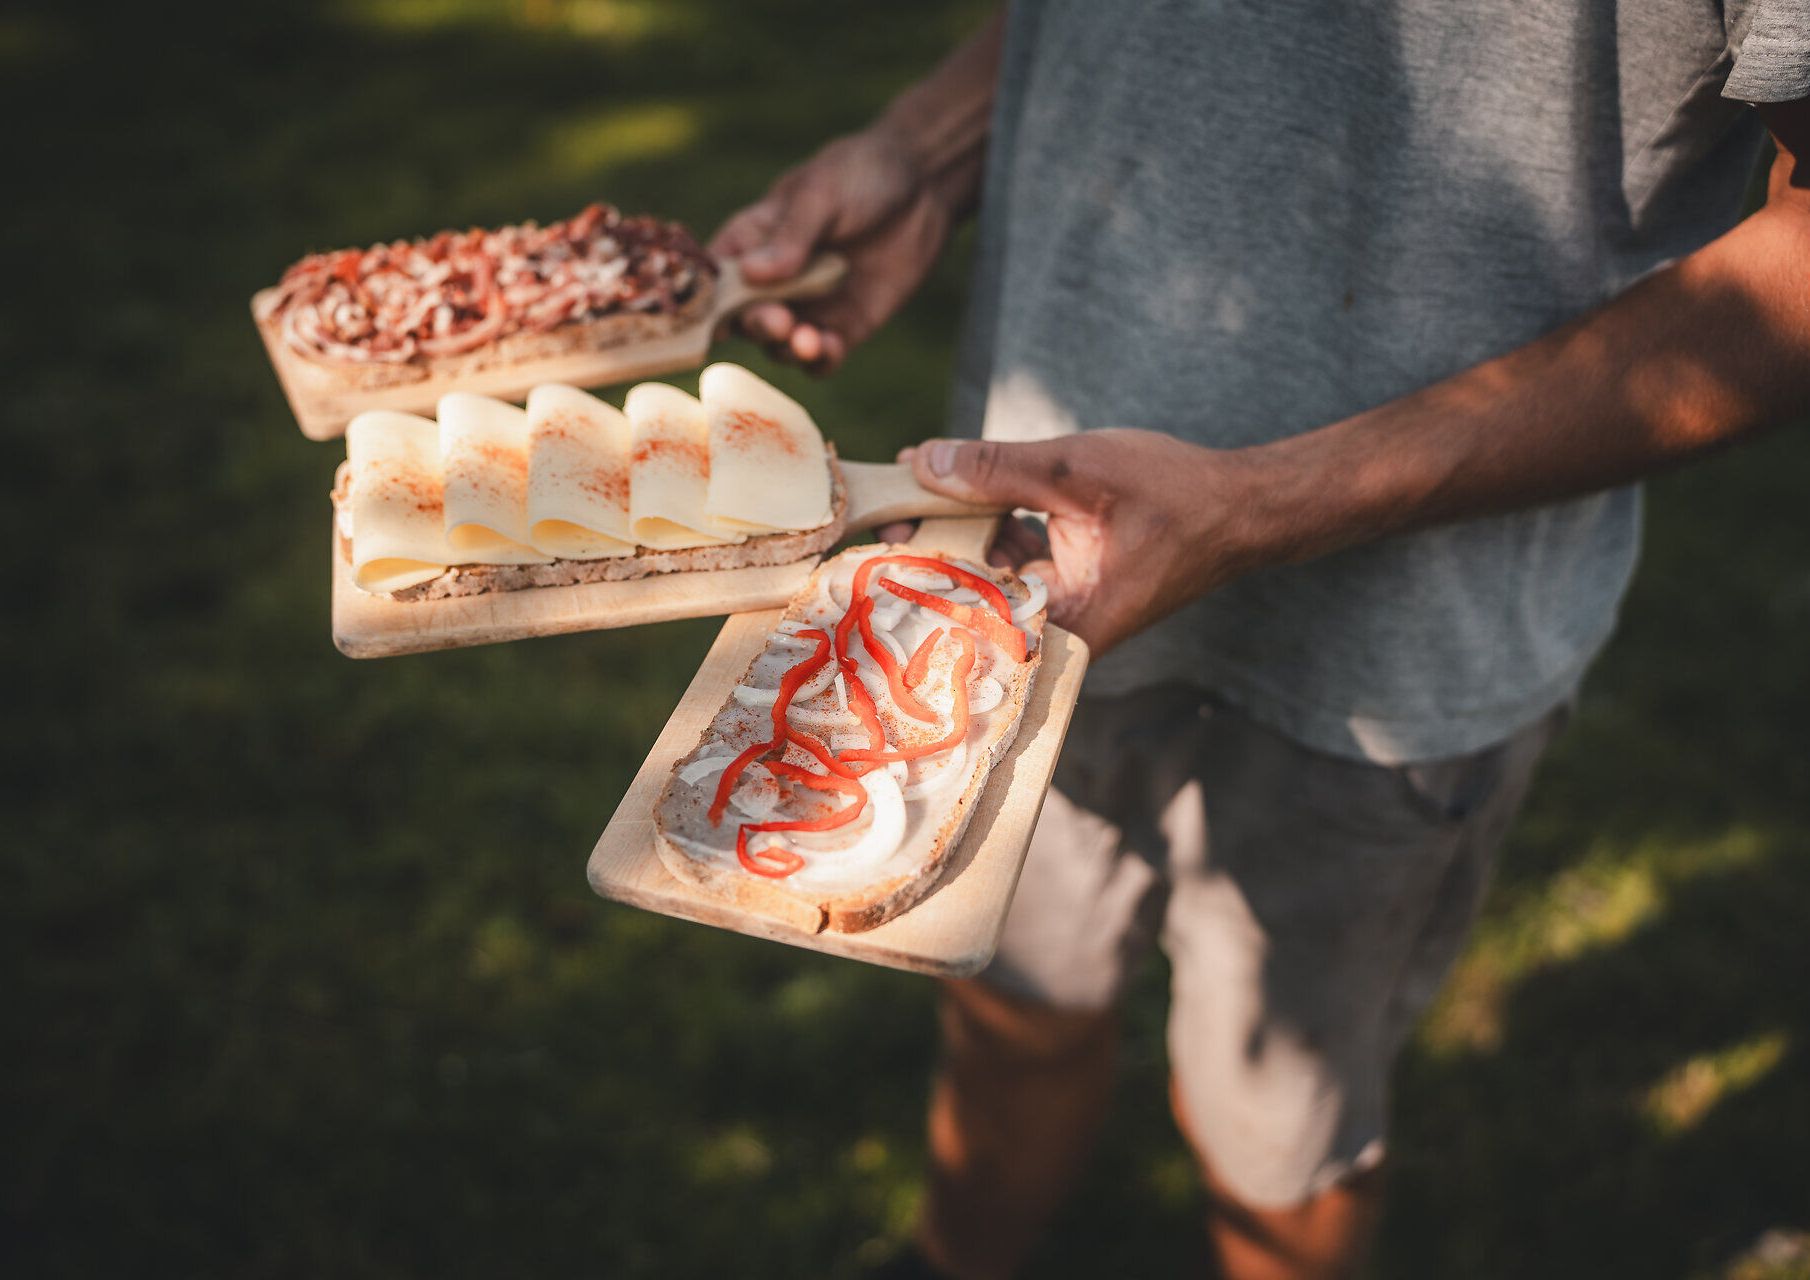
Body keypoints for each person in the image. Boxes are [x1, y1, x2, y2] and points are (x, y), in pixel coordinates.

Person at [710, 4, 1810, 1277]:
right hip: (1022, 580)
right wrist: (924, 147)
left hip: (1392, 651)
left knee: (1274, 1127)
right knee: (1011, 1002)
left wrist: (1269, 502)